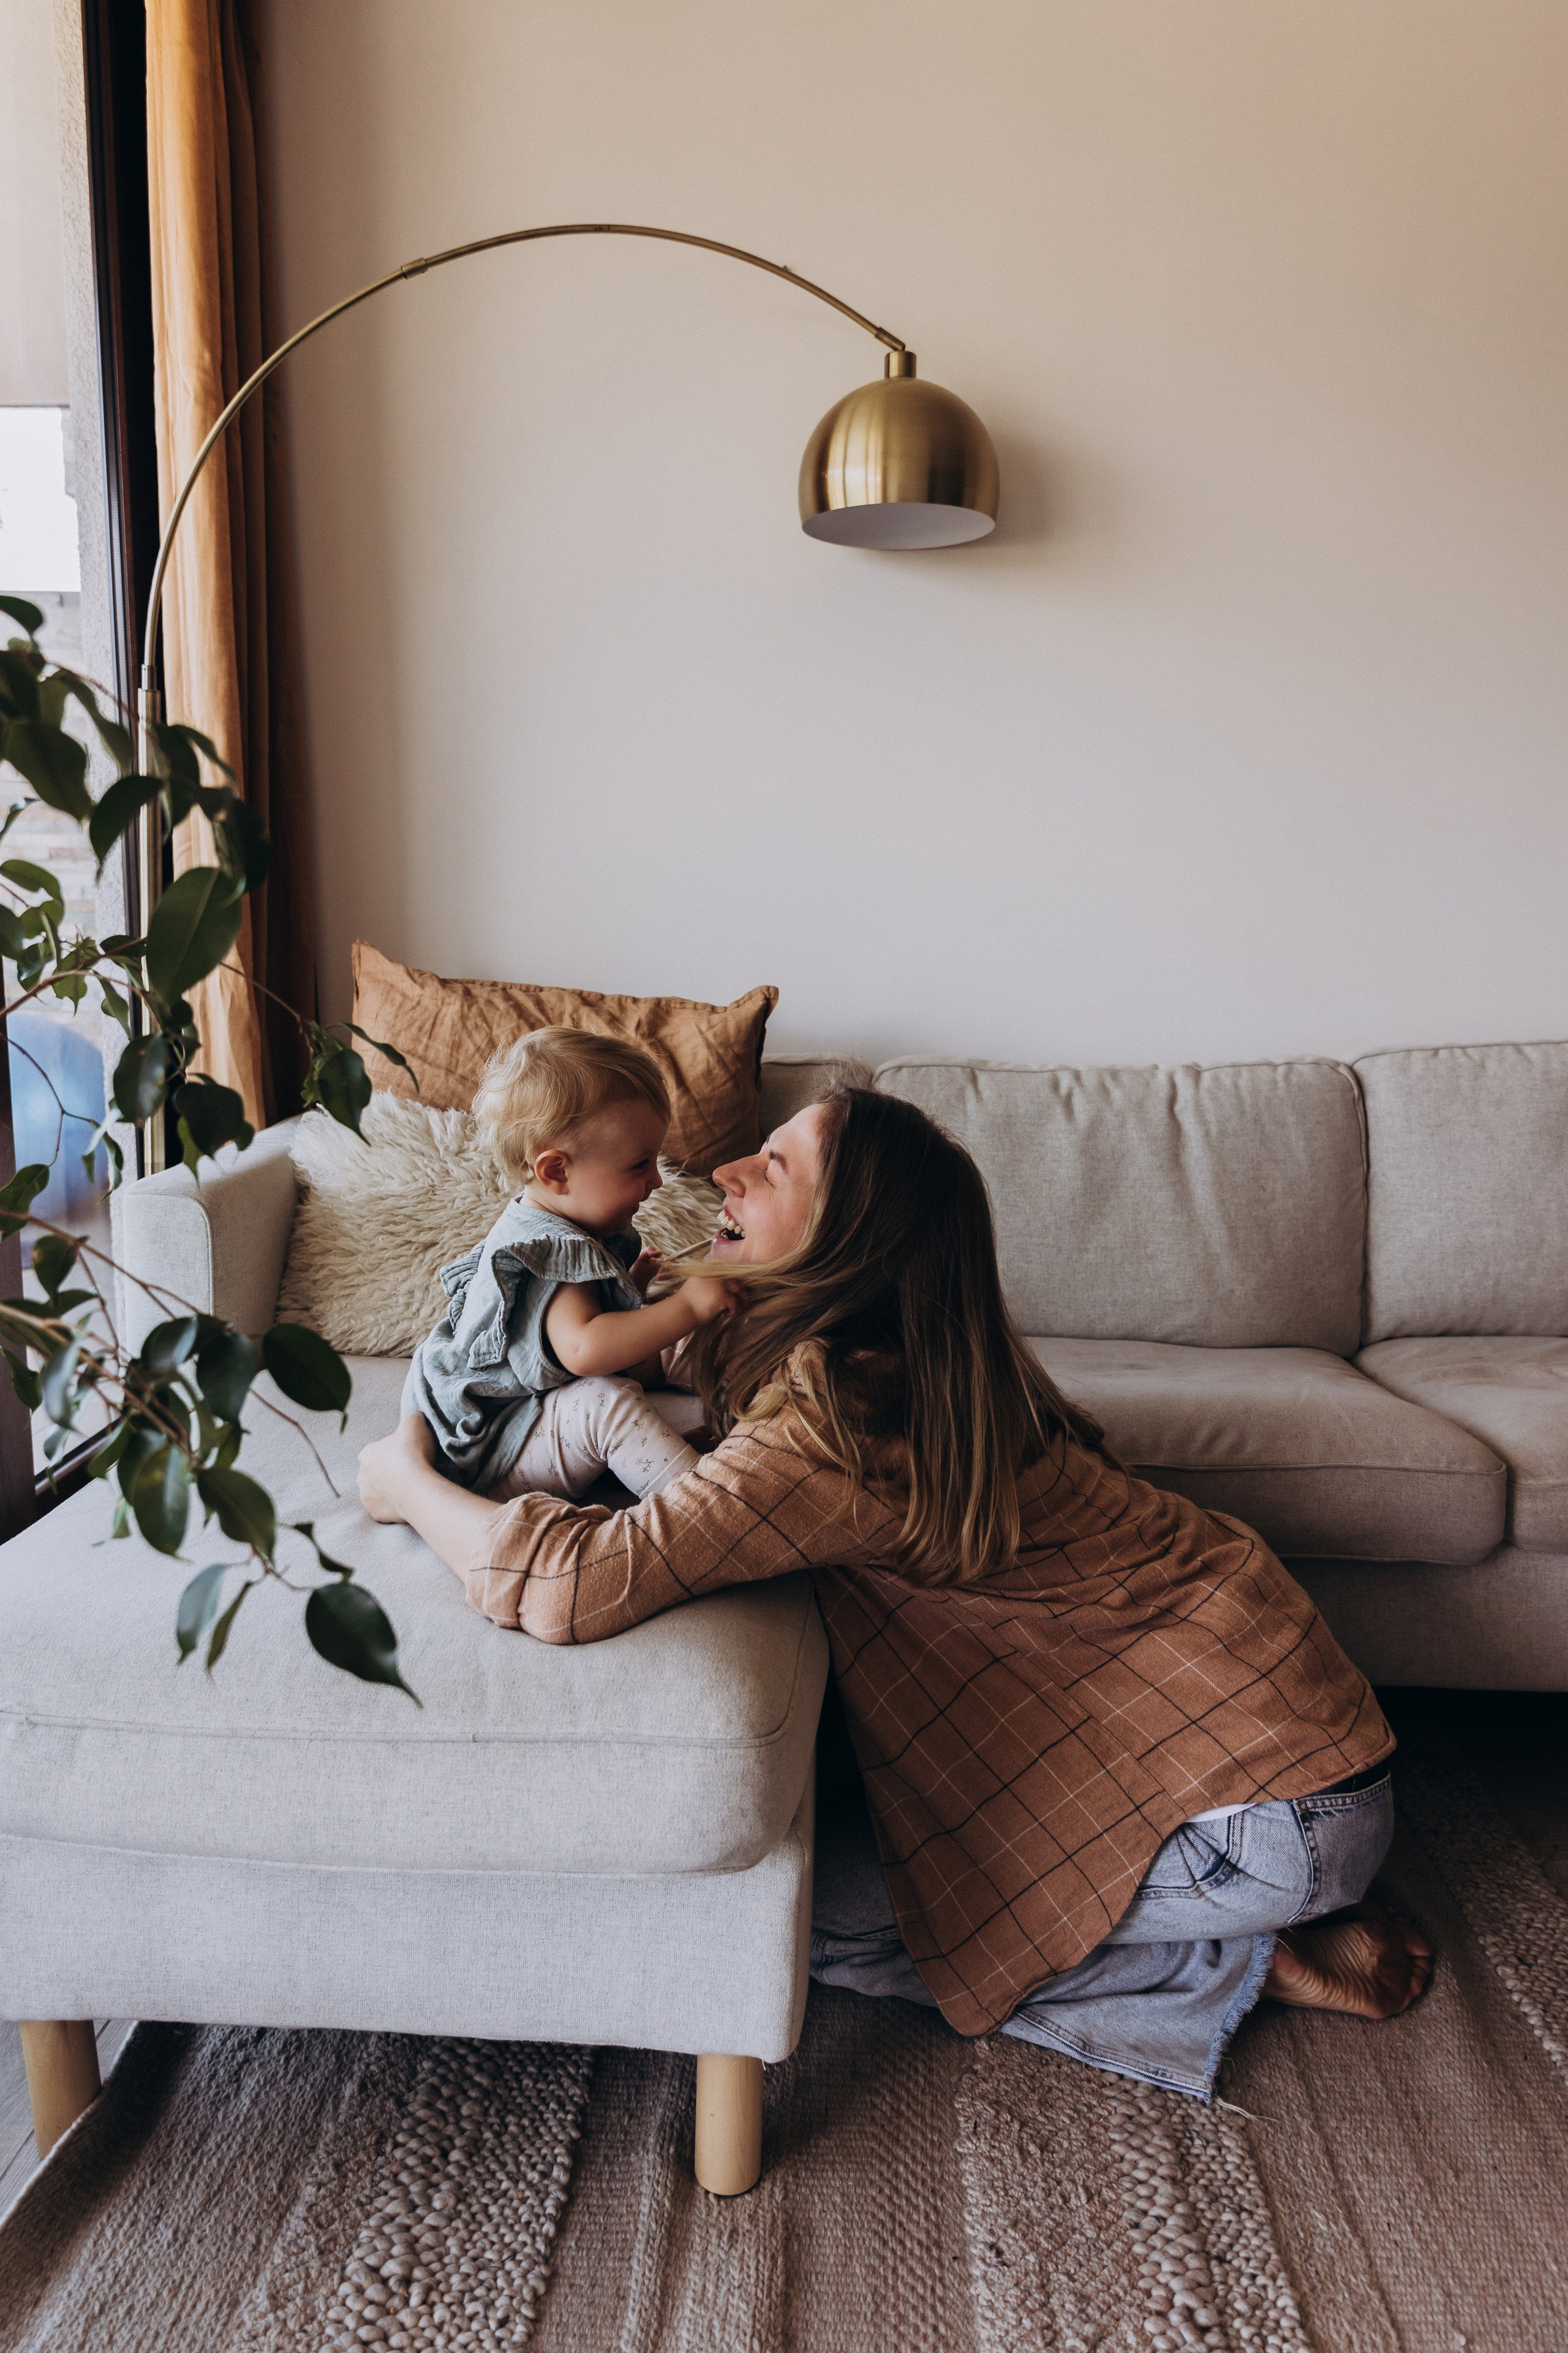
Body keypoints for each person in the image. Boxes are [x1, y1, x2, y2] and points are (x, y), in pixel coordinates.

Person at [361, 1086, 1433, 2100]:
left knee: (791, 1914)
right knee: (862, 1882)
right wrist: (672, 1295)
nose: (728, 1168)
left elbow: (569, 1587)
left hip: (1269, 1822)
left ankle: (1238, 1961)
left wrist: (410, 1483)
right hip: (1299, 1741)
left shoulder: (833, 1426)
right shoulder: (913, 1359)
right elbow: (696, 1368)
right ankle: (1230, 1926)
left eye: (771, 1165)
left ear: (846, 1243)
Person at [401, 1027, 737, 1505]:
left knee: (640, 1342)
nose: (657, 1181)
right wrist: (690, 1307)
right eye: (640, 1165)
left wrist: (629, 1289)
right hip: (489, 1452)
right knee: (608, 1401)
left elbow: (554, 1332)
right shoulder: (552, 1249)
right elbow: (583, 1349)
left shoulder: (555, 1222)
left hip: (510, 1418)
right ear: (557, 1171)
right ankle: (710, 1507)